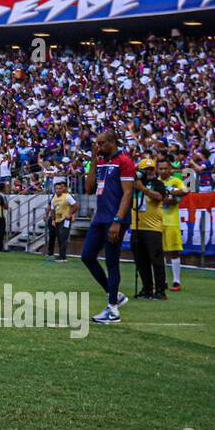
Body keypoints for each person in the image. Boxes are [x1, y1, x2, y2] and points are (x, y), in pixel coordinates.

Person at [84, 129, 135, 324]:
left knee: (112, 262)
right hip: (100, 217)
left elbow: (128, 194)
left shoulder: (125, 161)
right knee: (87, 256)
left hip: (115, 219)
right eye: (97, 143)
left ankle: (112, 310)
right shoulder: (102, 161)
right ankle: (114, 295)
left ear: (113, 142)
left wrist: (118, 220)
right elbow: (88, 189)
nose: (98, 146)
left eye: (101, 143)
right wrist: (94, 161)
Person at [132, 158, 168, 299]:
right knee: (141, 261)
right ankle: (147, 288)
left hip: (153, 228)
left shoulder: (158, 183)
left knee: (156, 260)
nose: (150, 171)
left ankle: (160, 290)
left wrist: (143, 189)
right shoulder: (135, 184)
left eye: (152, 168)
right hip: (137, 226)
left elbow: (159, 196)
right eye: (146, 169)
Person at [157, 157, 187, 290]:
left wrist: (169, 193)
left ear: (170, 169)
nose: (163, 171)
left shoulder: (176, 181)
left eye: (165, 168)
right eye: (161, 168)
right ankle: (162, 281)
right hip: (156, 221)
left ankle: (176, 281)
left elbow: (185, 191)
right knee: (159, 252)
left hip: (172, 221)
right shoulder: (155, 181)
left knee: (174, 251)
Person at [44, 179, 76, 263]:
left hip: (65, 220)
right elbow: (53, 210)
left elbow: (75, 206)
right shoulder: (54, 198)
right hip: (57, 220)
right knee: (58, 237)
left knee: (63, 237)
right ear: (54, 189)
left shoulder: (67, 196)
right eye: (56, 188)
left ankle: (63, 257)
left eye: (59, 188)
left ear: (62, 189)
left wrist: (70, 214)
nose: (58, 190)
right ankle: (60, 255)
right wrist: (53, 220)